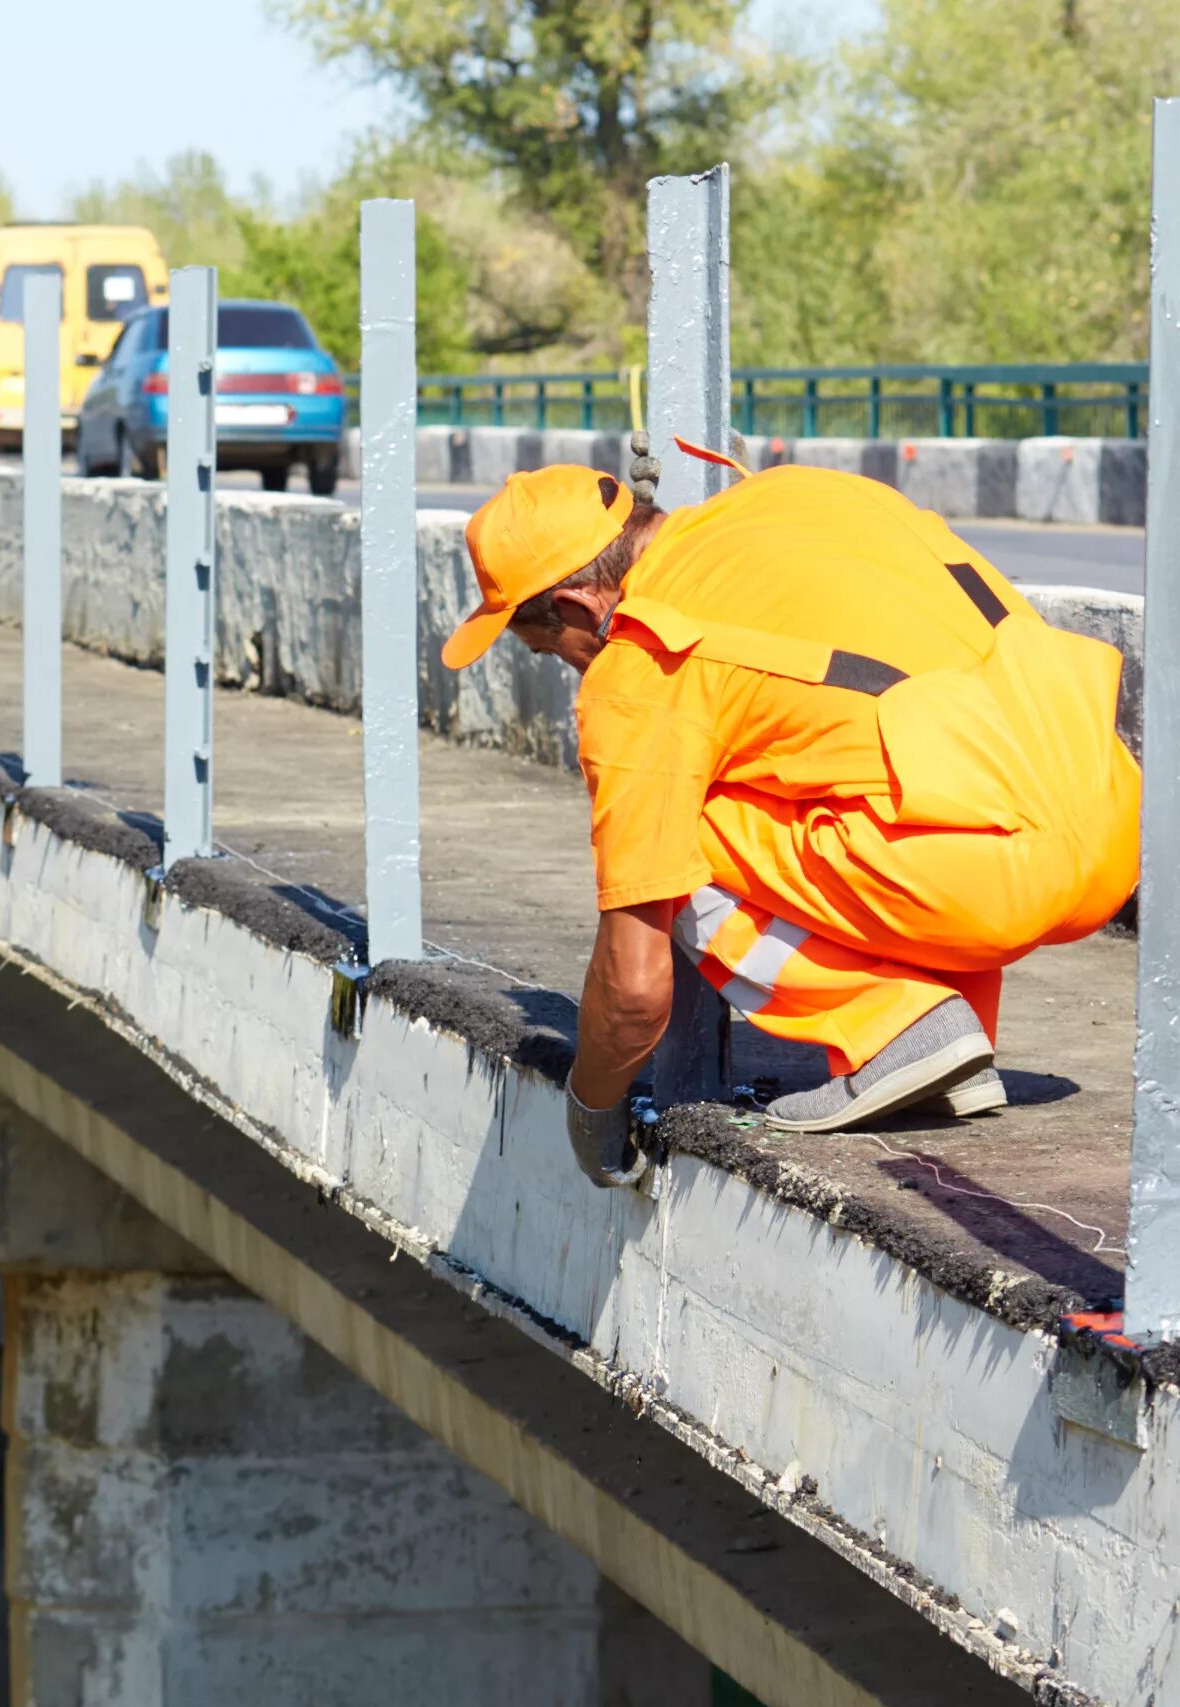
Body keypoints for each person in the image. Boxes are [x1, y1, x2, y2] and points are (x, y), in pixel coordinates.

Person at [441, 450, 1140, 1185]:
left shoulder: (642, 663)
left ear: (583, 607)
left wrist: (591, 1110)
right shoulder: (791, 495)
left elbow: (636, 985)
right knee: (844, 763)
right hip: (1109, 815)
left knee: (673, 835)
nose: (571, 667)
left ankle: (893, 1022)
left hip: (991, 870)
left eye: (553, 650)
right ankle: (944, 1040)